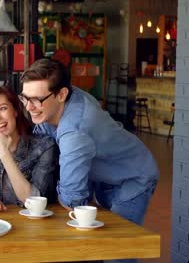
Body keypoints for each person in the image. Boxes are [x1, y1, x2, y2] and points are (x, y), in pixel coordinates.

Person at [20, 59, 159, 227]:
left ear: (61, 94)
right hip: (101, 175)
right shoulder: (58, 102)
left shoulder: (75, 132)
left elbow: (71, 200)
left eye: (36, 100)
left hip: (131, 178)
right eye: (25, 98)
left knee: (117, 247)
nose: (28, 107)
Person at [0, 87, 58, 213]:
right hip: (1, 223)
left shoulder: (44, 146)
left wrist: (4, 154)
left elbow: (33, 200)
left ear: (15, 111)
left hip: (39, 226)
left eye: (3, 108)